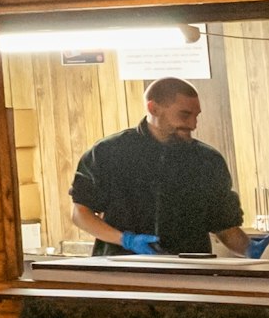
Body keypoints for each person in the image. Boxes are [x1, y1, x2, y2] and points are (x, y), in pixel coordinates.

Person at [68, 76, 247, 255]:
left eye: (196, 116)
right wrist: (126, 240)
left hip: (189, 274)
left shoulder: (208, 161)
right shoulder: (108, 152)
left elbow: (225, 228)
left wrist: (255, 251)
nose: (193, 124)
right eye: (184, 114)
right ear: (153, 108)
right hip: (121, 271)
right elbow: (80, 213)